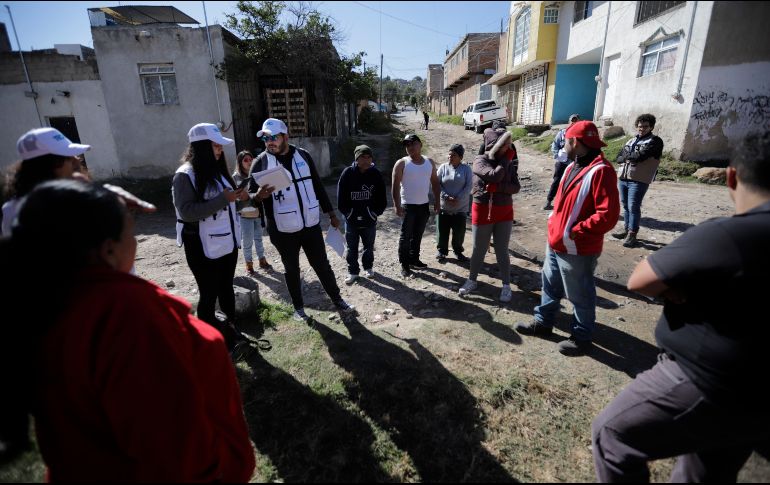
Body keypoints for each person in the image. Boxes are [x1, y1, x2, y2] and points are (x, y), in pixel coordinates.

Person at [0, 180, 255, 481]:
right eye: (131, 234)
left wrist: (90, 200)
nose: (135, 244)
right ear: (108, 249)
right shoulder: (130, 317)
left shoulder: (35, 306)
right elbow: (177, 452)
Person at [591, 132, 770, 482]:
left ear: (731, 177)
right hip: (760, 397)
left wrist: (682, 288)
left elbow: (641, 279)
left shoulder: (729, 234)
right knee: (706, 469)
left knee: (613, 434)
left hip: (706, 381)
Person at [515, 121, 620, 355]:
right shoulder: (573, 165)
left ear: (575, 142)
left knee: (580, 294)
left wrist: (577, 230)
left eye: (566, 141)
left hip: (577, 247)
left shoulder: (601, 170)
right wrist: (554, 223)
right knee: (550, 285)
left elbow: (608, 216)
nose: (564, 145)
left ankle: (581, 337)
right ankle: (543, 324)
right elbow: (563, 203)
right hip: (556, 242)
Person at [248, 118, 354, 322]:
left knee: (322, 265)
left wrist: (331, 214)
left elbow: (317, 185)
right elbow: (247, 201)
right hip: (282, 229)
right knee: (291, 269)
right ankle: (298, 309)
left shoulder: (303, 155)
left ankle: (338, 299)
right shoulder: (260, 162)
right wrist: (258, 196)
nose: (269, 142)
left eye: (273, 137)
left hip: (310, 224)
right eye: (266, 138)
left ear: (285, 137)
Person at [172, 123, 249, 350]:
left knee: (226, 288)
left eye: (220, 146)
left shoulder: (218, 172)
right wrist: (223, 199)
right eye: (215, 146)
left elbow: (230, 203)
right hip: (201, 245)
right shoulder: (184, 175)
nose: (219, 150)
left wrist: (244, 197)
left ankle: (232, 330)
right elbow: (186, 212)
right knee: (208, 293)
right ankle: (207, 341)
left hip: (227, 242)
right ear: (202, 147)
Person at [458, 126, 520, 302]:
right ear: (495, 146)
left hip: (504, 212)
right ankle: (472, 280)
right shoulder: (479, 161)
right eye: (506, 145)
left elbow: (515, 186)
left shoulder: (508, 162)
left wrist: (499, 188)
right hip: (483, 210)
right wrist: (504, 165)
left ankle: (506, 285)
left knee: (502, 250)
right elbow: (493, 176)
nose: (510, 148)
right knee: (479, 249)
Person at [2, 127, 91, 236]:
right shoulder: (16, 212)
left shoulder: (81, 197)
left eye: (74, 155)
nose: (77, 160)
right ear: (45, 167)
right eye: (67, 157)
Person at [391, 133, 440, 277]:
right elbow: (394, 186)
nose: (410, 147)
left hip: (423, 205)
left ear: (420, 144)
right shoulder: (402, 163)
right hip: (408, 206)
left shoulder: (429, 162)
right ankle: (404, 264)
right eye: (407, 145)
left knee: (418, 235)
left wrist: (437, 202)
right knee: (405, 236)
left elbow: (435, 184)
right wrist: (396, 205)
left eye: (413, 143)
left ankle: (414, 259)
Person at [337, 144, 387, 284]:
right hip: (351, 221)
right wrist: (348, 213)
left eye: (368, 157)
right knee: (351, 248)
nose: (366, 160)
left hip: (369, 220)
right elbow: (340, 198)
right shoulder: (347, 173)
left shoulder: (375, 174)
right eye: (362, 157)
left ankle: (368, 267)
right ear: (356, 158)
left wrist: (375, 213)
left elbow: (382, 198)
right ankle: (353, 272)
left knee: (368, 246)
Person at [612, 113, 664, 248]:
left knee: (633, 206)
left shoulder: (655, 141)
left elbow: (640, 156)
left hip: (639, 179)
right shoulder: (631, 140)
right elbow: (618, 157)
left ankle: (632, 234)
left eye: (646, 126)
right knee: (625, 205)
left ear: (651, 127)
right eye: (640, 126)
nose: (642, 129)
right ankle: (626, 230)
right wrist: (627, 157)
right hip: (624, 178)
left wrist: (627, 156)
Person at [232, 150, 271, 275]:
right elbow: (234, 197)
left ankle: (262, 260)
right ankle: (249, 264)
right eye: (245, 160)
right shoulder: (235, 177)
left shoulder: (256, 175)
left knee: (259, 238)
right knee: (247, 241)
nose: (249, 162)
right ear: (240, 162)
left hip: (257, 212)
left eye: (250, 159)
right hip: (244, 215)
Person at [435, 143, 472, 263]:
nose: (450, 157)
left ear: (460, 157)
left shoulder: (466, 169)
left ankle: (457, 251)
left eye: (453, 155)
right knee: (442, 230)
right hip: (444, 206)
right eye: (449, 154)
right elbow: (436, 184)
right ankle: (442, 251)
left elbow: (469, 186)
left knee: (459, 232)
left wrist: (458, 198)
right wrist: (446, 196)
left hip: (460, 207)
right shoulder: (443, 167)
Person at [544, 113, 580, 210]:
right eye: (572, 120)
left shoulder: (580, 134)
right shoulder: (562, 133)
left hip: (574, 163)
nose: (573, 122)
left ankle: (568, 204)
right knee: (557, 181)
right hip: (562, 162)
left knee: (572, 183)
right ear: (569, 121)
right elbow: (555, 145)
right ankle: (548, 201)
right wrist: (557, 155)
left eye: (576, 120)